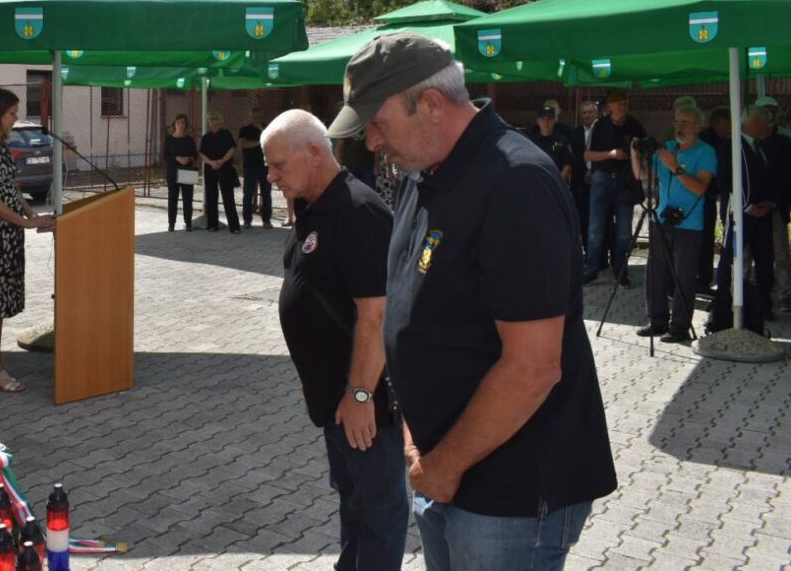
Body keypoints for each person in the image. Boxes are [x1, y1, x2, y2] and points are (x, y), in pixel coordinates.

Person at [328, 32, 616, 571]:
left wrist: (444, 466)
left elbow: (533, 367)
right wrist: (420, 444)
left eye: (377, 122)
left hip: (507, 493)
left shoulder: (515, 181)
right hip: (441, 470)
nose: (370, 141)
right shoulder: (424, 171)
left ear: (431, 104)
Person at [264, 109, 407, 570]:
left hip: (364, 405)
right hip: (336, 401)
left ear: (313, 153)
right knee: (353, 502)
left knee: (378, 512)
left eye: (278, 166)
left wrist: (361, 392)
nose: (271, 177)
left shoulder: (359, 211)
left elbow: (377, 311)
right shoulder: (315, 204)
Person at [0, 88, 55, 393]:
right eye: (12, 113)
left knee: (2, 301)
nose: (16, 119)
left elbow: (12, 189)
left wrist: (35, 216)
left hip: (9, 234)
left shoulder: (1, 146)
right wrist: (26, 222)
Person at [631, 105, 716, 343]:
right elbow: (641, 175)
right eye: (677, 121)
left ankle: (679, 327)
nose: (679, 126)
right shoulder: (669, 148)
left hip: (690, 224)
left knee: (684, 276)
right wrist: (635, 154)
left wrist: (676, 168)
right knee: (655, 271)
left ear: (698, 126)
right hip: (662, 218)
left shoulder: (706, 152)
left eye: (686, 123)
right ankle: (656, 321)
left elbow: (701, 187)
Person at [708, 106, 787, 335]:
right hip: (739, 214)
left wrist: (771, 202)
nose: (769, 127)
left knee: (765, 258)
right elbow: (726, 181)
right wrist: (747, 206)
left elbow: (769, 179)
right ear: (753, 122)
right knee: (731, 257)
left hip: (762, 214)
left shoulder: (760, 146)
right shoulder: (730, 146)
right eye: (766, 122)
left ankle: (763, 306)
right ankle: (725, 302)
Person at [582, 90, 646, 286]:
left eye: (624, 104)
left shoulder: (635, 125)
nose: (622, 108)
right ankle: (592, 269)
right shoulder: (599, 125)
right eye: (618, 105)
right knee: (595, 228)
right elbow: (588, 155)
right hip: (602, 180)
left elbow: (643, 153)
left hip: (626, 183)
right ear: (609, 107)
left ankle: (620, 271)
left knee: (624, 231)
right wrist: (611, 154)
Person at [757, 97, 791, 313]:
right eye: (765, 111)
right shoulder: (749, 139)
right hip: (753, 206)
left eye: (772, 111)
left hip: (777, 204)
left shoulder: (784, 138)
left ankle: (786, 294)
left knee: (781, 252)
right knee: (749, 253)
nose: (769, 115)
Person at [697, 106, 733, 288]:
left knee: (707, 239)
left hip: (710, 196)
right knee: (702, 240)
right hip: (701, 196)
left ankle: (704, 278)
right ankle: (701, 279)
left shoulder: (721, 140)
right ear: (720, 122)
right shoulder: (708, 141)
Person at [200, 110, 241, 233]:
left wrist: (222, 161)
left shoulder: (226, 134)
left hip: (225, 168)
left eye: (216, 119)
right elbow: (202, 154)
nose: (214, 122)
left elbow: (232, 149)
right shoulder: (206, 137)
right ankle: (212, 225)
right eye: (211, 120)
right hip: (210, 169)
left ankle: (234, 227)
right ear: (209, 122)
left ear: (220, 121)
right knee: (211, 197)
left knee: (228, 197)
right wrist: (211, 163)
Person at [569, 99, 600, 252]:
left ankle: (601, 256)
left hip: (600, 180)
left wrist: (593, 172)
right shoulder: (574, 134)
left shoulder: (603, 132)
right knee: (582, 219)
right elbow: (573, 158)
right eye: (584, 113)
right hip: (580, 183)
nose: (588, 115)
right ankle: (587, 251)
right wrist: (584, 173)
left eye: (591, 112)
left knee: (600, 220)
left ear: (597, 113)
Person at [237, 107, 273, 228]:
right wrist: (259, 142)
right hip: (250, 166)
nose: (256, 119)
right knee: (248, 193)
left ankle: (266, 220)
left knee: (266, 193)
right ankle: (247, 220)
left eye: (258, 117)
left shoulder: (267, 128)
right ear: (250, 117)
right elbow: (243, 144)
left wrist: (262, 131)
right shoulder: (244, 130)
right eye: (254, 117)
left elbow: (271, 143)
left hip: (265, 166)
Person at [165, 114, 198, 232]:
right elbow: (165, 156)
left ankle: (188, 223)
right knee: (172, 199)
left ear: (186, 125)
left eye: (183, 123)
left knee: (187, 199)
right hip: (173, 173)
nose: (180, 125)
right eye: (178, 122)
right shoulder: (169, 139)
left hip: (187, 172)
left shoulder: (189, 139)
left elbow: (195, 155)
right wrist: (177, 158)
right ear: (174, 125)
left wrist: (188, 159)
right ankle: (171, 224)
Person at [333, 102, 379, 189]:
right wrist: (338, 165)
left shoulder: (366, 122)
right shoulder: (345, 126)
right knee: (351, 191)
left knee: (369, 191)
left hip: (367, 165)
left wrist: (376, 165)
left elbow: (375, 144)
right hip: (350, 165)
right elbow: (339, 147)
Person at [528, 105, 574, 184]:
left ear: (554, 121)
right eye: (543, 119)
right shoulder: (531, 142)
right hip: (536, 182)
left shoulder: (563, 141)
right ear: (538, 121)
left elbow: (568, 164)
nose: (546, 122)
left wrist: (558, 182)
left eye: (549, 119)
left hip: (556, 182)